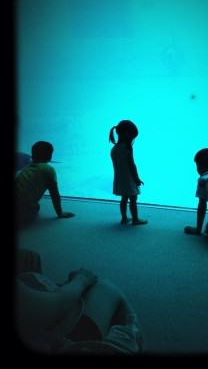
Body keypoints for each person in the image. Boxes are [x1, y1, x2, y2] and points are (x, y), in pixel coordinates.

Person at [16, 249, 144, 355]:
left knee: (28, 257)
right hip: (57, 341)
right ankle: (129, 336)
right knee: (108, 288)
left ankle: (41, 289)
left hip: (34, 316)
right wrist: (81, 279)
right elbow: (51, 308)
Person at [15, 141, 75, 226]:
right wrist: (60, 213)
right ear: (50, 157)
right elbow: (54, 194)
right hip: (23, 209)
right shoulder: (49, 170)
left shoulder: (24, 170)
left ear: (33, 156)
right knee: (36, 208)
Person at [109, 120, 148, 225]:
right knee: (133, 199)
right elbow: (131, 165)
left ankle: (124, 218)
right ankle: (135, 219)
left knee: (124, 199)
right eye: (132, 136)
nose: (133, 139)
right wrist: (137, 179)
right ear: (127, 134)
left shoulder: (114, 149)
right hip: (129, 179)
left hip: (119, 179)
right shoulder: (126, 148)